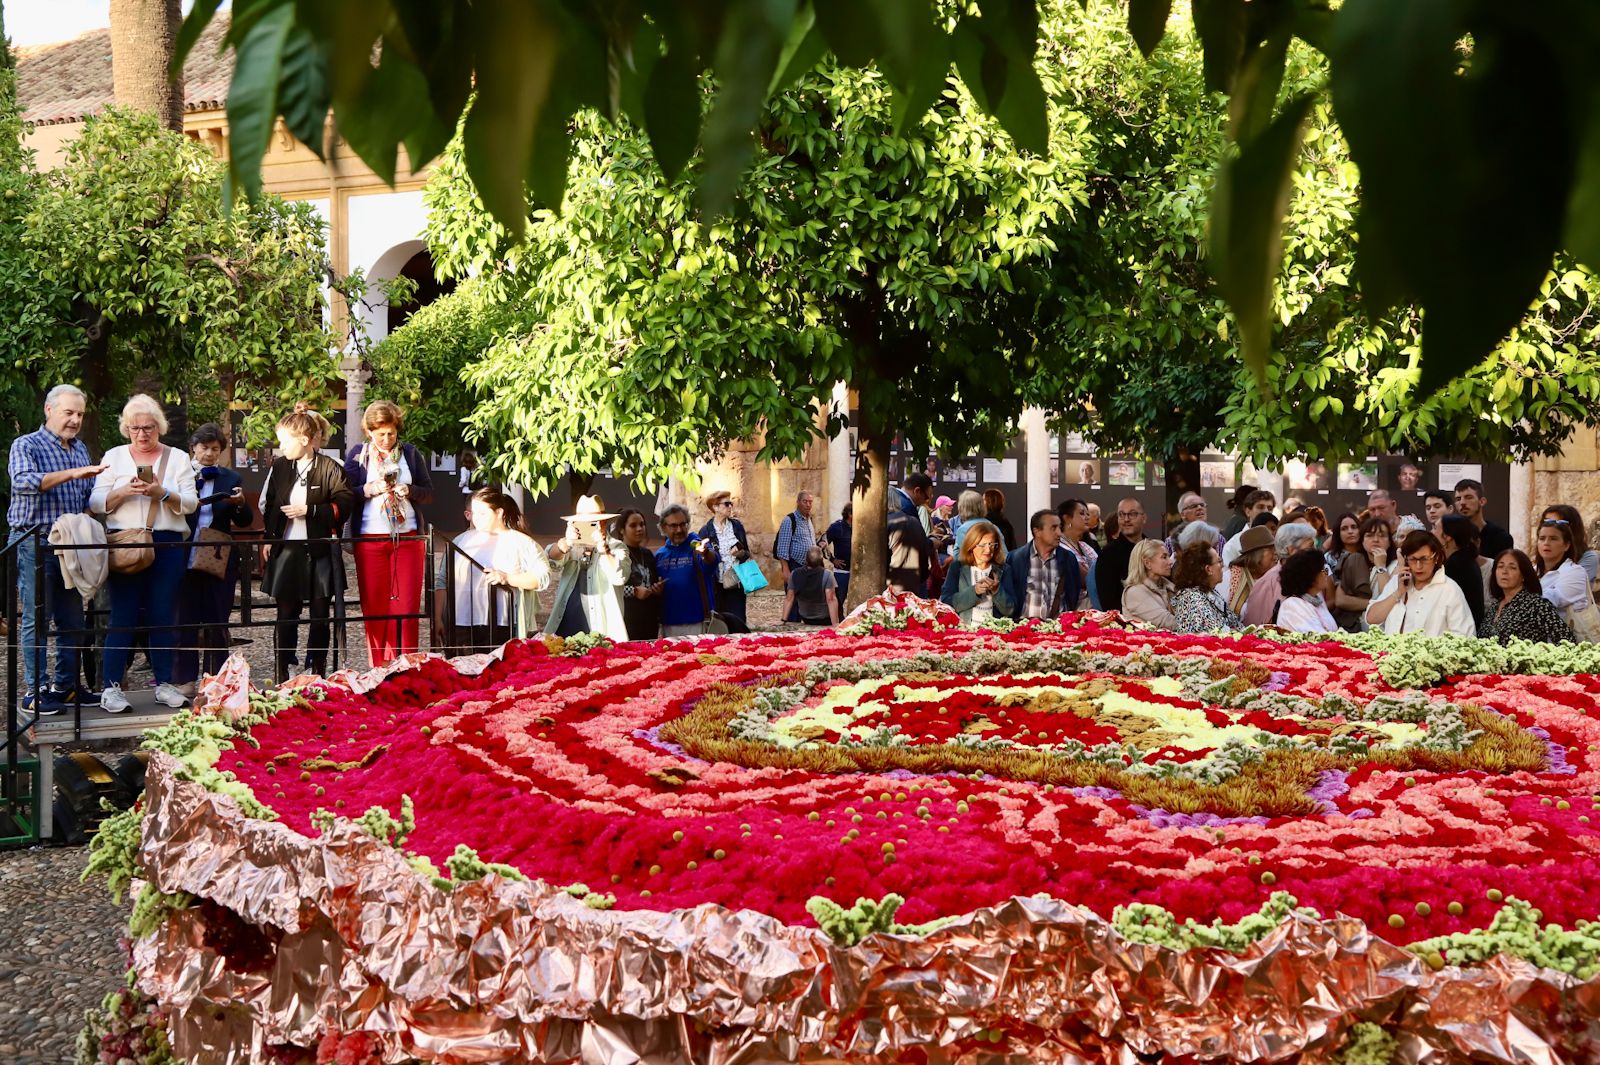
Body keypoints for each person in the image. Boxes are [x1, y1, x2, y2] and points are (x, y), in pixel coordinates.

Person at [90, 394, 199, 711]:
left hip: (167, 542)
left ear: (159, 427)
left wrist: (161, 492)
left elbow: (191, 503)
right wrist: (123, 491)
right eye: (135, 427)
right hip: (125, 542)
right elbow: (96, 502)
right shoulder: (114, 456)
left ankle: (165, 683)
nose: (142, 434)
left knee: (162, 615)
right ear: (126, 428)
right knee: (122, 616)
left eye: (148, 427)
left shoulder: (177, 458)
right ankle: (111, 687)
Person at [7, 384, 105, 713]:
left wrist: (119, 491)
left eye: (80, 414)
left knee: (72, 620)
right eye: (69, 412)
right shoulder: (26, 444)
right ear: (49, 410)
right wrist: (72, 473)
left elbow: (89, 497)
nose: (76, 420)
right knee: (37, 618)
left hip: (72, 545)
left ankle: (65, 687)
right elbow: (23, 481)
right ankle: (35, 692)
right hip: (34, 542)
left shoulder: (80, 449)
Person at [260, 406, 354, 683]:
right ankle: (284, 669)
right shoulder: (279, 467)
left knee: (319, 614)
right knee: (286, 613)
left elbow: (345, 503)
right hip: (287, 548)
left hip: (319, 550)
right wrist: (270, 537)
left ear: (303, 440)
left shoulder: (330, 468)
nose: (280, 447)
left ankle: (317, 669)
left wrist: (310, 510)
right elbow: (271, 506)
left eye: (284, 441)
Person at [344, 400, 435, 668]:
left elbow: (428, 492)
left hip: (407, 538)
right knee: (374, 605)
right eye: (380, 433)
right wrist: (369, 489)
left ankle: (406, 663)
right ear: (369, 432)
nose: (386, 439)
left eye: (391, 433)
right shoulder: (358, 455)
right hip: (371, 538)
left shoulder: (410, 453)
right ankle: (378, 666)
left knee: (406, 606)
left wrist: (410, 490)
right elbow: (346, 493)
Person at [173, 423, 251, 694]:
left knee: (218, 616)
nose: (209, 454)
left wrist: (239, 504)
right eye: (204, 448)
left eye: (215, 449)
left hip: (216, 553)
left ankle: (219, 677)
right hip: (185, 550)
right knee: (185, 617)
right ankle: (184, 678)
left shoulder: (230, 479)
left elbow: (244, 521)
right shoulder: (181, 475)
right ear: (193, 447)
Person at [472, 488, 551, 641]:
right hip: (467, 623)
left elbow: (543, 577)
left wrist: (508, 578)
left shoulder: (523, 543)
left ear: (499, 513)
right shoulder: (463, 541)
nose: (477, 519)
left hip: (508, 623)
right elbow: (443, 580)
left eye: (482, 513)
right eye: (474, 513)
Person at [548, 495, 630, 642]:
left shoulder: (616, 547)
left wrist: (603, 548)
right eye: (582, 523)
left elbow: (620, 577)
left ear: (603, 522)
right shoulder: (571, 545)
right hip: (565, 627)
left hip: (602, 631)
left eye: (592, 523)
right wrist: (566, 543)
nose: (586, 527)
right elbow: (550, 560)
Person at [1365, 530, 1475, 636]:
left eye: (1424, 559)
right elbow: (1371, 619)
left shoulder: (1449, 589)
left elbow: (1465, 635)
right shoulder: (1398, 582)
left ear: (1436, 558)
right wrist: (1398, 592)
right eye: (1412, 559)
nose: (1418, 566)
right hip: (1391, 652)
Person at [1001, 509, 1080, 620]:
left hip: (1058, 630)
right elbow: (1010, 596)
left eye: (1059, 527)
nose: (1059, 533)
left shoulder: (1068, 558)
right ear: (1037, 531)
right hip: (1023, 630)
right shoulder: (1016, 558)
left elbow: (1073, 594)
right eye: (1053, 528)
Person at [1480, 549, 1572, 644]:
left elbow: (1566, 640)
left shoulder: (1537, 605)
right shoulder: (1495, 605)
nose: (1504, 571)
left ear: (1523, 575)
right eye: (1500, 566)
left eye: (1512, 568)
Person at [656, 503, 720, 637]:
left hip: (698, 622)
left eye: (683, 524)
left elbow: (712, 560)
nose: (679, 529)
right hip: (669, 624)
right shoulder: (660, 555)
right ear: (663, 528)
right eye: (673, 526)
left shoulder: (696, 544)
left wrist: (705, 553)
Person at [1242, 523, 1318, 626]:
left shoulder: (1313, 576)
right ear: (1291, 550)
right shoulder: (1268, 582)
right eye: (1310, 547)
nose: (1315, 552)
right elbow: (1254, 626)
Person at [1534, 518, 1598, 637]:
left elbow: (1550, 599)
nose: (1546, 543)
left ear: (1566, 545)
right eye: (1542, 538)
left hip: (1565, 642)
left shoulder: (1575, 572)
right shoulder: (1533, 570)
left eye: (1553, 538)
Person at [939, 521, 1013, 623]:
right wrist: (974, 591)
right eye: (982, 545)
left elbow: (1010, 610)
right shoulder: (957, 567)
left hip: (995, 633)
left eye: (992, 545)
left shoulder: (1004, 569)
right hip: (965, 632)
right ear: (971, 545)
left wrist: (997, 591)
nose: (988, 550)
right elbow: (946, 603)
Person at [698, 490, 751, 631]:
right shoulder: (705, 531)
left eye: (731, 504)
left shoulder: (737, 527)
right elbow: (702, 560)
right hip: (717, 584)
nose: (730, 507)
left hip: (736, 582)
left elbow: (747, 553)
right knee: (720, 623)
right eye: (726, 504)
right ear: (715, 507)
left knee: (739, 622)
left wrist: (740, 553)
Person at [1332, 516, 1397, 632]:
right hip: (1357, 629)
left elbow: (1388, 598)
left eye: (1382, 535)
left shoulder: (1397, 565)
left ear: (1389, 542)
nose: (1376, 539)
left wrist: (1381, 566)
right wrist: (1374, 604)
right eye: (1369, 535)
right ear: (1362, 541)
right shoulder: (1354, 561)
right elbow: (1341, 600)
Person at [616, 508, 665, 641]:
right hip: (627, 622)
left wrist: (657, 589)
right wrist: (634, 591)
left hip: (649, 621)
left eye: (642, 524)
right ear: (622, 529)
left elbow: (652, 582)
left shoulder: (647, 554)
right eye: (633, 525)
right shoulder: (617, 554)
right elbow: (609, 589)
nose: (639, 529)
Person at [1171, 542, 1239, 633]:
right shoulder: (1192, 599)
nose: (1222, 565)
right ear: (1208, 569)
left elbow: (1235, 624)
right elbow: (1217, 633)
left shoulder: (1209, 592)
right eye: (1219, 561)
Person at [772, 490, 817, 622]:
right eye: (805, 501)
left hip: (809, 568)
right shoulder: (789, 520)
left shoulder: (809, 520)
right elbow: (782, 547)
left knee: (806, 601)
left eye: (810, 502)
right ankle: (791, 627)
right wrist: (785, 569)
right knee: (793, 602)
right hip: (795, 566)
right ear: (798, 502)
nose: (808, 505)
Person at [1096, 498, 1147, 613]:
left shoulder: (1154, 548)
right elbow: (1109, 602)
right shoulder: (1108, 554)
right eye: (1121, 515)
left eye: (1132, 514)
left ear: (1144, 518)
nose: (1126, 519)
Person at [1439, 514, 1486, 628]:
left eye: (1435, 528)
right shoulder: (1464, 559)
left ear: (1447, 536)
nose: (1431, 532)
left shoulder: (1456, 564)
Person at [1277, 550, 1339, 633]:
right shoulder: (1292, 605)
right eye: (1322, 570)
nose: (1326, 573)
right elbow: (1315, 639)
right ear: (1309, 576)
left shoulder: (1316, 600)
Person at [1121, 539, 1176, 629]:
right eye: (1164, 557)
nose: (1170, 562)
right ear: (1147, 563)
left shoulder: (1168, 586)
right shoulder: (1134, 593)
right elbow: (1167, 622)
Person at [1223, 525, 1276, 619]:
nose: (1276, 553)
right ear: (1257, 555)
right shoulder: (1229, 579)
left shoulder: (1276, 577)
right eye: (1271, 549)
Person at [887, 486, 933, 594]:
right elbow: (924, 556)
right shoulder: (914, 521)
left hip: (888, 588)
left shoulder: (883, 524)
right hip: (913, 586)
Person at [1454, 479, 1513, 558]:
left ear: (1482, 501)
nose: (1462, 503)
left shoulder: (1500, 537)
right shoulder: (1451, 536)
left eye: (1468, 497)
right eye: (1458, 499)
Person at [782, 546, 841, 625]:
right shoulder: (827, 575)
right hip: (824, 618)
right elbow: (831, 599)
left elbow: (789, 599)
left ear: (806, 559)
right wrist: (835, 624)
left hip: (806, 617)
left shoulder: (794, 574)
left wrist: (783, 620)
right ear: (821, 559)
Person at [1540, 504, 1599, 582]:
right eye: (1547, 522)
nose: (1550, 527)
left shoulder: (1588, 558)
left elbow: (1570, 585)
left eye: (1557, 524)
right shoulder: (1538, 564)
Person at [1057, 498, 1097, 608]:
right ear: (1066, 519)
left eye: (1087, 514)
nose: (1087, 517)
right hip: (1072, 607)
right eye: (1082, 513)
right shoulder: (1059, 547)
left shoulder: (1085, 546)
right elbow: (1088, 580)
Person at [1221, 490, 1277, 565]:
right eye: (1260, 507)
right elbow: (1228, 574)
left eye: (1269, 508)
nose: (1266, 511)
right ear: (1248, 511)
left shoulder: (1277, 540)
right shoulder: (1233, 545)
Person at [1325, 512, 1362, 577]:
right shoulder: (1329, 558)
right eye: (1344, 528)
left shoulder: (1368, 555)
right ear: (1338, 533)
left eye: (1354, 527)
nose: (1350, 531)